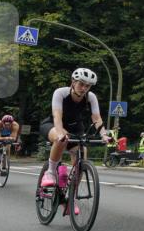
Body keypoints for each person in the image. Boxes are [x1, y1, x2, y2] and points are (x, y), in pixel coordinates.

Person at [39, 68, 109, 213]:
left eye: (87, 86)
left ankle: (70, 197)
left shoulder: (91, 97)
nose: (84, 88)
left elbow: (96, 118)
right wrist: (60, 133)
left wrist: (103, 134)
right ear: (73, 82)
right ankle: (50, 172)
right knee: (62, 140)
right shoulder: (60, 93)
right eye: (81, 84)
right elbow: (57, 115)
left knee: (82, 153)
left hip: (76, 127)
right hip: (53, 124)